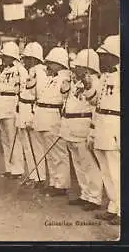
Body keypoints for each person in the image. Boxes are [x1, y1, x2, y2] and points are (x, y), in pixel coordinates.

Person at [54, 49, 102, 211]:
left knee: (88, 163)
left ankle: (94, 197)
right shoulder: (76, 81)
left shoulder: (95, 81)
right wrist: (67, 84)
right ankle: (85, 194)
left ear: (89, 67)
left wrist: (88, 85)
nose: (76, 69)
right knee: (78, 164)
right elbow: (65, 97)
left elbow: (95, 101)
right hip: (70, 124)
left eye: (80, 67)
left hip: (83, 124)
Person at [89, 35, 120, 225]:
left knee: (116, 170)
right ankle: (113, 206)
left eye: (105, 55)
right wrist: (87, 86)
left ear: (116, 56)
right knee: (106, 171)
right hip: (101, 124)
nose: (101, 59)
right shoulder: (105, 77)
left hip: (115, 125)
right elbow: (94, 101)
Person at [31, 47, 71, 197]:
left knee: (58, 153)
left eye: (51, 63)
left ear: (59, 63)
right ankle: (54, 182)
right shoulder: (52, 78)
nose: (48, 65)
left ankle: (61, 185)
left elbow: (65, 98)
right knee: (49, 153)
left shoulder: (64, 78)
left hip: (54, 116)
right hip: (44, 116)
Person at [0, 42, 26, 179]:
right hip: (1, 104)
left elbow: (23, 88)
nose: (4, 58)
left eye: (6, 56)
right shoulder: (6, 70)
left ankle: (17, 169)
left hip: (12, 104)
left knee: (13, 138)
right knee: (5, 139)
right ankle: (9, 167)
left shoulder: (20, 70)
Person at [19, 42, 48, 189]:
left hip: (31, 110)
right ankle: (32, 175)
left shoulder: (40, 73)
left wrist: (33, 115)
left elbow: (40, 96)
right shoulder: (30, 72)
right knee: (27, 146)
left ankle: (39, 177)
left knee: (35, 146)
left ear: (35, 58)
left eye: (28, 58)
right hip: (24, 109)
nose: (25, 60)